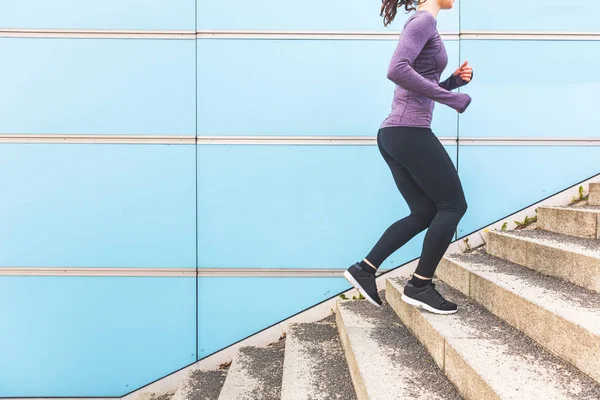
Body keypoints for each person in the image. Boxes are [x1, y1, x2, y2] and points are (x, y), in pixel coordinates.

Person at [343, 0, 472, 314]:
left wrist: (451, 83)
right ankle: (420, 285)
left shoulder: (425, 23)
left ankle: (364, 269)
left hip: (396, 134)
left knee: (424, 211)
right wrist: (452, 98)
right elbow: (397, 69)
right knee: (454, 206)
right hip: (408, 132)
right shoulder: (423, 21)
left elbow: (415, 83)